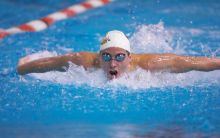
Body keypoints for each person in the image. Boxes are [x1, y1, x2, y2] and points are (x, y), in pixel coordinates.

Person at [17, 30, 220, 80]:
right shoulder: (85, 61)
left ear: (129, 57)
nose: (112, 63)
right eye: (106, 57)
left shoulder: (150, 64)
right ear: (100, 56)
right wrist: (22, 68)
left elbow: (192, 62)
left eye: (120, 57)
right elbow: (52, 62)